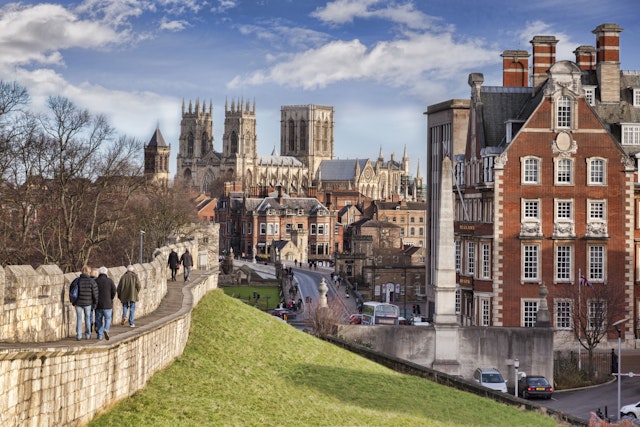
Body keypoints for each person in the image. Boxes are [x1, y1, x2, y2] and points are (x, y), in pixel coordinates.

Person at [71, 265, 98, 340]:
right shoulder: (92, 281)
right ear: (89, 272)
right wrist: (95, 302)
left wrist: (73, 301)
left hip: (78, 303)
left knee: (79, 319)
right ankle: (88, 335)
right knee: (87, 318)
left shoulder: (77, 280)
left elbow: (71, 291)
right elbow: (95, 293)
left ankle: (79, 335)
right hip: (88, 303)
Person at [95, 266, 117, 340]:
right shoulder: (109, 281)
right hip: (108, 303)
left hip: (98, 304)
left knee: (99, 320)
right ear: (106, 273)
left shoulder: (96, 281)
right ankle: (106, 329)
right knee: (108, 319)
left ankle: (100, 335)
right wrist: (111, 298)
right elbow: (114, 290)